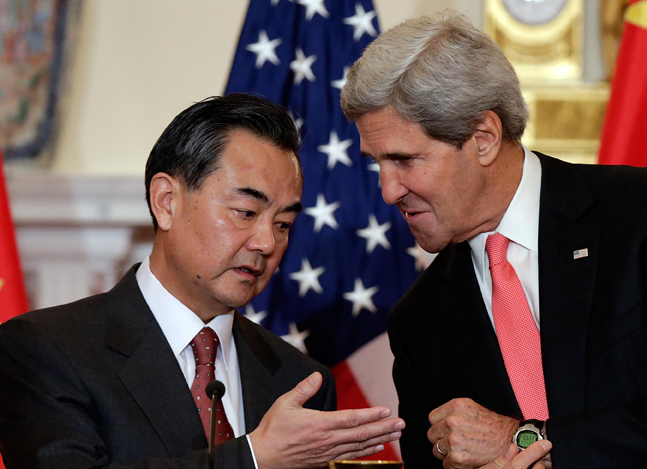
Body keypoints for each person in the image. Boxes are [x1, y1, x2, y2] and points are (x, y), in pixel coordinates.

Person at [340, 11, 647, 469]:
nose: (387, 191)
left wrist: (526, 440)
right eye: (377, 163)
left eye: (404, 160)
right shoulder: (418, 320)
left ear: (483, 138)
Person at [0, 93, 405, 469]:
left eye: (283, 224)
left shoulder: (300, 380)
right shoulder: (46, 351)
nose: (267, 243)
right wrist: (253, 458)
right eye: (246, 212)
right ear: (167, 202)